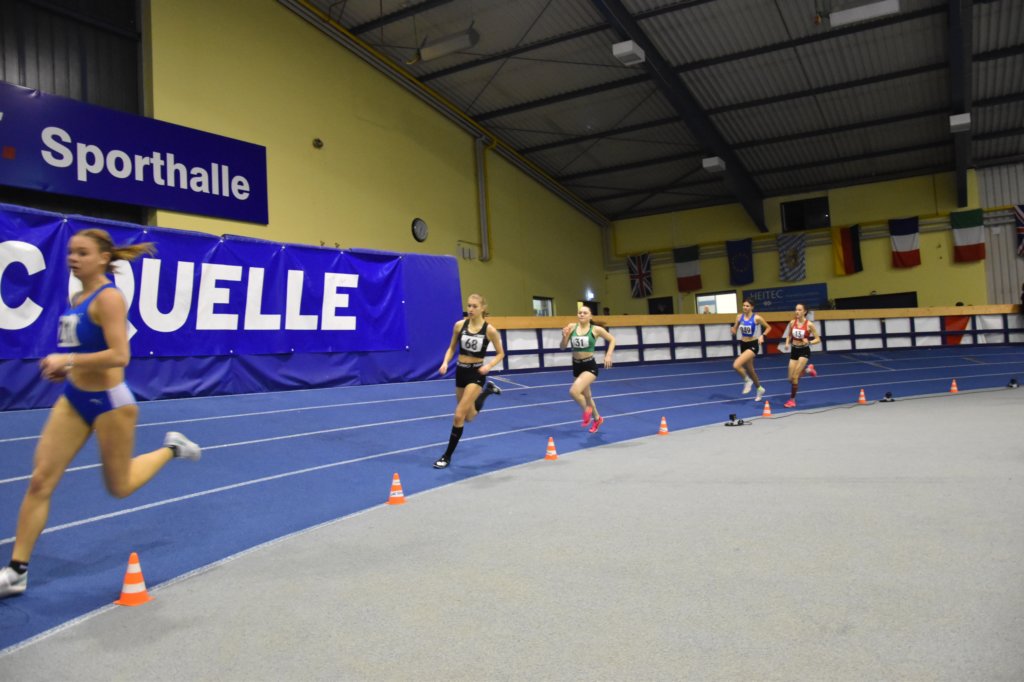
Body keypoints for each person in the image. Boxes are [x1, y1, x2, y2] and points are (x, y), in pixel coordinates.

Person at [0, 228, 200, 599]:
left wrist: (68, 361)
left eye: (82, 253)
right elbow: (83, 349)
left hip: (111, 404)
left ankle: (172, 448)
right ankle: (16, 571)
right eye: (70, 252)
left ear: (103, 258)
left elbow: (120, 355)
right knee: (41, 479)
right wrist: (67, 369)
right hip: (74, 397)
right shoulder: (77, 297)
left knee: (119, 486)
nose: (73, 259)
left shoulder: (109, 298)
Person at [434, 294, 505, 469]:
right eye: (469, 306)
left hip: (476, 374)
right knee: (469, 416)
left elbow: (501, 353)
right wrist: (445, 363)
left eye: (474, 306)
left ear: (483, 308)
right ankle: (488, 391)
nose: (471, 309)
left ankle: (446, 456)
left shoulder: (489, 330)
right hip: (461, 372)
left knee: (459, 415)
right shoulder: (459, 325)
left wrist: (489, 366)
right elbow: (452, 348)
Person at [560, 304, 616, 433]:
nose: (581, 314)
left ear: (590, 316)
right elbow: (563, 347)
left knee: (574, 392)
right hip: (576, 365)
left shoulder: (596, 329)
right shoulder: (571, 327)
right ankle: (597, 419)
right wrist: (564, 336)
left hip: (589, 365)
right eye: (580, 312)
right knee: (587, 396)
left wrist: (608, 355)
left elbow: (612, 340)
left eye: (585, 313)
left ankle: (587, 410)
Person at [779, 303, 822, 408]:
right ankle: (808, 370)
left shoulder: (809, 325)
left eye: (799, 310)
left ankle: (792, 400)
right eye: (796, 310)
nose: (797, 312)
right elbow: (789, 336)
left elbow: (818, 339)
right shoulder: (792, 322)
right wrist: (787, 344)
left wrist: (809, 342)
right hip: (794, 351)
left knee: (795, 377)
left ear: (804, 312)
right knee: (790, 379)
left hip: (804, 351)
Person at [730, 298, 769, 402]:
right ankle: (760, 389)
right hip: (743, 344)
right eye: (744, 305)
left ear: (752, 307)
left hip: (753, 345)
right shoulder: (739, 317)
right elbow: (735, 329)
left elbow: (768, 327)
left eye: (747, 306)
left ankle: (747, 381)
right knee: (750, 371)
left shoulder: (757, 318)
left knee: (736, 365)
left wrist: (762, 336)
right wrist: (733, 330)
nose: (745, 307)